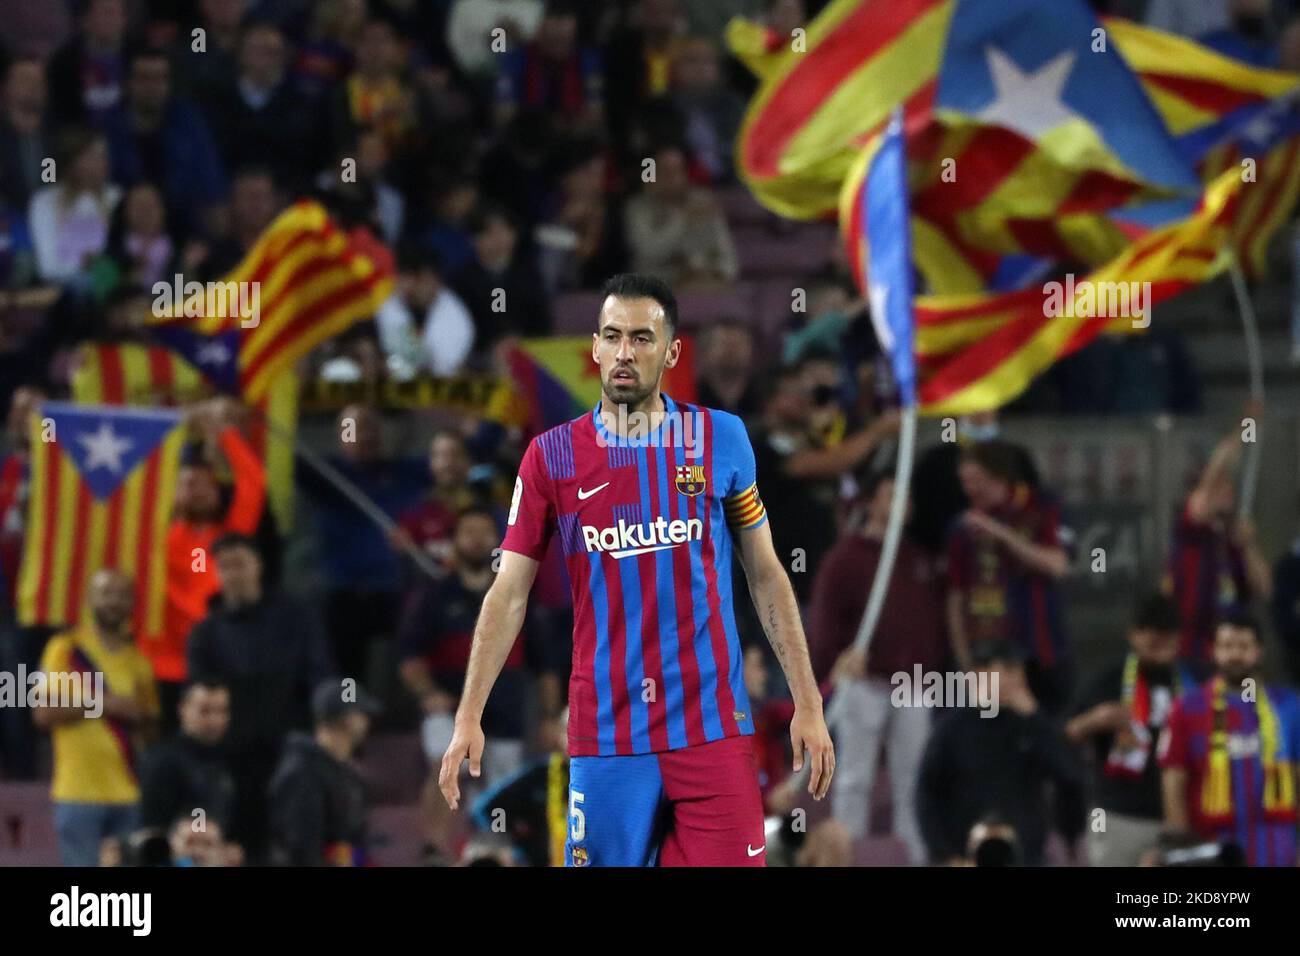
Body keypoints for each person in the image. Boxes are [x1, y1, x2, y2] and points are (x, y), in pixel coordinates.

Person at [439, 272, 834, 867]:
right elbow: (508, 592)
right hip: (607, 736)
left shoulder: (721, 439)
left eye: (643, 338)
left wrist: (807, 701)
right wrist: (469, 714)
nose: (625, 352)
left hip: (713, 729)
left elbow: (767, 573)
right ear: (594, 348)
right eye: (612, 336)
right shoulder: (551, 457)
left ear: (671, 351)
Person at [808, 473, 946, 862]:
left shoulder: (917, 557)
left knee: (913, 775)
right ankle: (844, 854)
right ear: (870, 502)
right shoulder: (846, 558)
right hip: (863, 681)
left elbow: (930, 618)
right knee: (855, 775)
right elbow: (824, 621)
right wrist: (834, 661)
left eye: (907, 496)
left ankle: (916, 855)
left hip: (912, 682)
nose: (902, 503)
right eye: (891, 495)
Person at [399, 506, 547, 860]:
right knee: (444, 763)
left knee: (502, 793)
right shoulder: (433, 597)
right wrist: (428, 694)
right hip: (450, 708)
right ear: (453, 543)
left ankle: (493, 855)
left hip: (506, 712)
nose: (477, 540)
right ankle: (434, 848)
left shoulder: (518, 595)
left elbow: (544, 665)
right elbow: (409, 656)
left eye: (485, 532)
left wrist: (549, 714)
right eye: (469, 532)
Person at [187, 533, 334, 862]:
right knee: (241, 847)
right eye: (224, 566)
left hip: (291, 749)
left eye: (240, 564)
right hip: (232, 759)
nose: (233, 573)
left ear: (259, 566)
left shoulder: (296, 619)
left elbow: (320, 675)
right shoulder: (205, 634)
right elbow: (198, 696)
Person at [144, 398, 266, 724]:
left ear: (216, 491)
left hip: (219, 662)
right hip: (162, 664)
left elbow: (253, 483)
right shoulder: (152, 535)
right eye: (185, 484)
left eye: (203, 483)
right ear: (171, 492)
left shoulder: (229, 536)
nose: (195, 490)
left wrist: (225, 433)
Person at [916, 643, 1085, 867]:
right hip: (967, 857)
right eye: (1007, 670)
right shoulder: (952, 729)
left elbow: (1069, 776)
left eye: (1019, 671)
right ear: (979, 673)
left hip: (1026, 857)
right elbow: (928, 795)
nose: (1018, 679)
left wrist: (1035, 719)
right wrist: (945, 854)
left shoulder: (1030, 725)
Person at [34, 568, 160, 866]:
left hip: (129, 792)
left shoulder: (139, 662)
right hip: (77, 792)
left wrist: (141, 719)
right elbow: (43, 713)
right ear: (90, 599)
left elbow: (151, 726)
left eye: (121, 594)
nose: (113, 601)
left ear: (132, 602)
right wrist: (104, 705)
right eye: (106, 593)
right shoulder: (64, 650)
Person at [1066, 594, 1201, 867]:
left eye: (1167, 641)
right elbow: (1066, 733)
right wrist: (1095, 720)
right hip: (1119, 817)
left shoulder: (1196, 680)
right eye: (1152, 641)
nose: (1160, 649)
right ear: (1133, 634)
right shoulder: (1108, 679)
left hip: (1180, 817)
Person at [1158, 609, 1300, 867]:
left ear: (1259, 651)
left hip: (1279, 849)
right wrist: (1179, 848)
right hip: (1213, 851)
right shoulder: (1187, 708)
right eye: (1226, 646)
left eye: (1243, 646)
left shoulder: (1290, 707)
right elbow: (1174, 777)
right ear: (1214, 651)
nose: (1234, 654)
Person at [946, 439, 1072, 711]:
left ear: (1000, 476)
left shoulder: (1042, 507)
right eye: (965, 481)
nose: (970, 489)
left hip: (1041, 652)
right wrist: (965, 662)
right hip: (987, 656)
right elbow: (955, 598)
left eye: (977, 480)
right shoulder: (962, 529)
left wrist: (1000, 534)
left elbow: (1057, 566)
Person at [1164, 428, 1271, 662]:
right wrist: (1241, 433)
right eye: (1219, 489)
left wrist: (1248, 546)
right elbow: (1204, 497)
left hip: (1230, 649)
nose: (1225, 495)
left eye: (1228, 490)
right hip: (1191, 646)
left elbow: (1263, 588)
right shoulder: (1190, 531)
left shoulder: (1233, 542)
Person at [267, 679, 379, 866]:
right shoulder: (303, 773)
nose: (367, 721)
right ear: (348, 719)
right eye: (362, 714)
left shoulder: (344, 772)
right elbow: (303, 850)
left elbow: (353, 847)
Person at [138, 679, 236, 839]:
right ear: (183, 709)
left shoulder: (232, 760)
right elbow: (150, 827)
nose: (214, 721)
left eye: (222, 711)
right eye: (205, 711)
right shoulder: (163, 761)